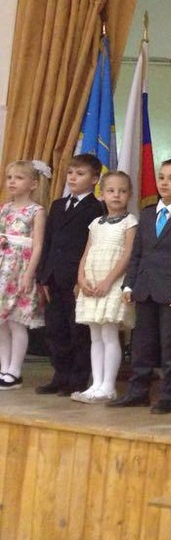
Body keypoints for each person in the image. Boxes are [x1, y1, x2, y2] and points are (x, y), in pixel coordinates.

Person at [109, 159, 171, 414]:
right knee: (141, 345)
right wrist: (129, 285)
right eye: (161, 177)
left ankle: (169, 396)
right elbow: (137, 254)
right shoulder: (147, 214)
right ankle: (137, 392)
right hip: (145, 289)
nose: (164, 183)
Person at [35, 154, 104, 396]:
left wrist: (81, 277)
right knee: (56, 330)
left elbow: (93, 246)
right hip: (54, 276)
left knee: (78, 331)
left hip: (77, 279)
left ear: (95, 179)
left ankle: (77, 379)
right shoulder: (57, 205)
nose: (73, 178)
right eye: (70, 173)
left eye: (80, 174)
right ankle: (60, 375)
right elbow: (48, 242)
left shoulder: (96, 208)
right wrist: (43, 277)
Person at [72, 171, 138, 403]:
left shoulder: (130, 222)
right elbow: (86, 253)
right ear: (102, 194)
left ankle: (109, 386)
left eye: (122, 191)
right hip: (92, 282)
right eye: (111, 190)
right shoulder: (95, 223)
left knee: (109, 334)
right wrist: (81, 278)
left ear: (129, 194)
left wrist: (109, 281)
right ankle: (96, 384)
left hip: (113, 282)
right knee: (95, 336)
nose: (116, 195)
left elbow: (128, 255)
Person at [0, 160, 49, 390]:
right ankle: (4, 367)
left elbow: (37, 245)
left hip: (21, 269)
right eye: (10, 177)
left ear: (33, 184)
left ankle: (15, 370)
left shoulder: (36, 211)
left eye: (19, 178)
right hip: (3, 269)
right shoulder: (4, 209)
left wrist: (29, 274)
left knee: (17, 321)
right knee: (2, 322)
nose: (12, 182)